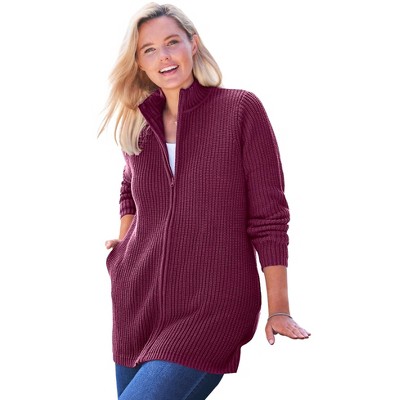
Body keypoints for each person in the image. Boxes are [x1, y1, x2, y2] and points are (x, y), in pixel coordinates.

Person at [98, 2, 311, 399]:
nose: (164, 56)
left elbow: (269, 215)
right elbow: (129, 187)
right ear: (139, 63)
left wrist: (279, 307)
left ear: (193, 45)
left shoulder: (240, 110)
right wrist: (126, 241)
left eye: (172, 42)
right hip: (137, 303)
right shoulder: (139, 124)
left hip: (213, 306)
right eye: (149, 50)